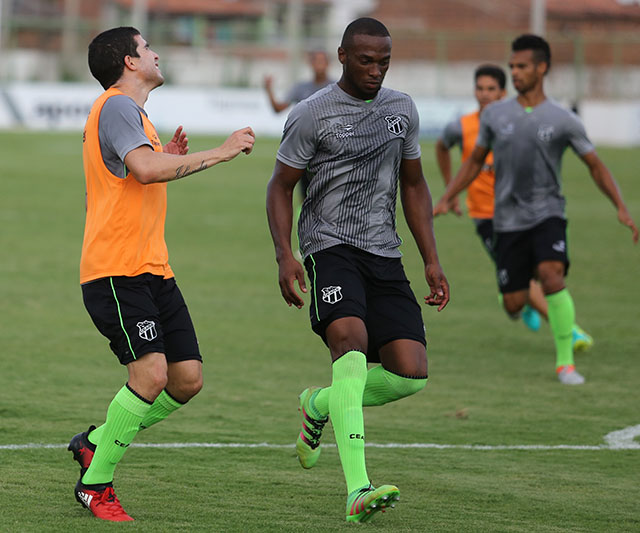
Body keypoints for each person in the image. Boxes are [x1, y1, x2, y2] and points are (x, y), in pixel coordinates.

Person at [266, 18, 449, 523]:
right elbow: (280, 186)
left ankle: (319, 404)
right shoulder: (312, 113)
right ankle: (356, 488)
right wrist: (286, 254)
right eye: (366, 61)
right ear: (343, 55)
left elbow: (413, 184)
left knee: (411, 373)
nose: (376, 71)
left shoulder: (401, 109)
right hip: (329, 246)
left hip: (384, 253)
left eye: (384, 62)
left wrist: (431, 258)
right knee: (350, 345)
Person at [68, 26, 255, 521]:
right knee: (150, 374)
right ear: (130, 62)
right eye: (147, 48)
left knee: (186, 379)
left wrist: (165, 156)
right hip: (116, 270)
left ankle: (96, 442)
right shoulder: (116, 106)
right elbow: (144, 172)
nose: (156, 53)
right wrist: (222, 150)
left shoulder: (133, 114)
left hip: (152, 269)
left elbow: (138, 171)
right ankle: (96, 484)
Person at [434, 34, 638, 385]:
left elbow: (595, 165)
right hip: (506, 220)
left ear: (542, 68)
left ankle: (565, 364)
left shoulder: (563, 118)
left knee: (551, 275)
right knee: (514, 303)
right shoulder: (496, 115)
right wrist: (447, 196)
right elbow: (473, 162)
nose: (515, 72)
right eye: (512, 66)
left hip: (548, 214)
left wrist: (620, 205)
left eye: (522, 66)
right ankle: (516, 298)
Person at [435, 64, 594, 347]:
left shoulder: (519, 122)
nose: (485, 95)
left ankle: (523, 302)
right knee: (532, 277)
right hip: (487, 215)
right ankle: (571, 332)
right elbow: (441, 147)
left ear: (503, 92)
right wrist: (451, 192)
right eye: (480, 89)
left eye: (491, 89)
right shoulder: (462, 126)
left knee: (537, 271)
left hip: (524, 212)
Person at [265, 50, 332, 201]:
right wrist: (268, 89)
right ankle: (305, 222)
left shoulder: (337, 87)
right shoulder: (300, 88)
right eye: (316, 61)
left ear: (328, 64)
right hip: (306, 150)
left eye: (322, 61)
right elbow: (278, 109)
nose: (319, 65)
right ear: (311, 64)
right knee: (306, 195)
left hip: (330, 148)